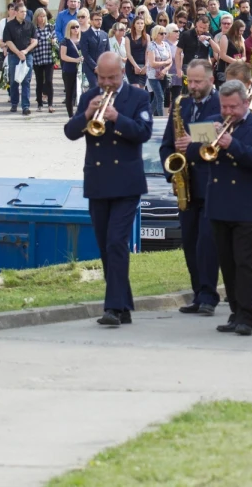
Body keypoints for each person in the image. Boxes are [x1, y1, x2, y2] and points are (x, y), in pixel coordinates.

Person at [65, 53, 153, 326]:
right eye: (101, 77)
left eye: (111, 78)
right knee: (105, 246)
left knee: (117, 242)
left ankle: (112, 308)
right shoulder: (89, 96)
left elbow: (144, 132)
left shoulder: (138, 97)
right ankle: (124, 305)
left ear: (122, 71)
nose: (105, 83)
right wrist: (87, 114)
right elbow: (70, 132)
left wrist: (116, 118)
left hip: (126, 183)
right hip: (98, 180)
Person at [186, 80, 252, 336]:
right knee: (226, 262)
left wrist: (230, 144)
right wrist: (205, 138)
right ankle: (235, 312)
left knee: (244, 263)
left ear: (246, 103)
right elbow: (191, 154)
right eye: (224, 106)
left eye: (233, 107)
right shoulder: (213, 120)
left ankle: (247, 316)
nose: (228, 112)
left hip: (245, 203)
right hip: (217, 202)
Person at [160, 60, 222, 314]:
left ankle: (209, 295)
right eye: (189, 81)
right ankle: (198, 294)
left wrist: (192, 141)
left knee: (207, 244)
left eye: (198, 81)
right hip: (186, 186)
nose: (192, 86)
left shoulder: (222, 104)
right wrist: (172, 173)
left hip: (212, 184)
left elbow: (219, 139)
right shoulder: (182, 104)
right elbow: (166, 144)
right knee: (190, 242)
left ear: (211, 81)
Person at [2, 1, 37, 115]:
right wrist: (18, 52)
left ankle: (25, 106)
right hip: (14, 56)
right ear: (16, 12)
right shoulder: (9, 25)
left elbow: (35, 40)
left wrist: (26, 51)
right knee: (14, 81)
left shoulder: (30, 25)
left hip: (27, 56)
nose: (24, 14)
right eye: (22, 12)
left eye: (25, 12)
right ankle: (14, 103)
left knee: (26, 81)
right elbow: (8, 41)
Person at [32, 9, 57, 114]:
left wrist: (53, 41)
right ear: (36, 17)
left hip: (48, 58)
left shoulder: (50, 27)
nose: (42, 18)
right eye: (40, 16)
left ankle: (50, 104)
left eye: (44, 16)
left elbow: (55, 38)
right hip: (37, 58)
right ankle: (39, 104)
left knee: (49, 81)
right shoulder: (33, 29)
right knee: (39, 82)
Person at [147, 24, 173, 116]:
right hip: (153, 75)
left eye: (165, 33)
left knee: (157, 98)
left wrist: (164, 70)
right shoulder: (151, 45)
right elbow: (152, 63)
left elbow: (170, 61)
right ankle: (162, 118)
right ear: (156, 34)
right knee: (160, 97)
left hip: (164, 74)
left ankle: (147, 115)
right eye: (161, 33)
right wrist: (165, 63)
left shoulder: (166, 45)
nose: (163, 35)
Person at [59, 20, 84, 118]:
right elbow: (63, 56)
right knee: (69, 92)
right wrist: (75, 60)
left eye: (77, 27)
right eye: (73, 27)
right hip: (69, 70)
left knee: (80, 92)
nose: (75, 29)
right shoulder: (65, 41)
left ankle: (80, 112)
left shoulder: (82, 40)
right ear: (69, 29)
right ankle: (70, 114)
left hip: (81, 70)